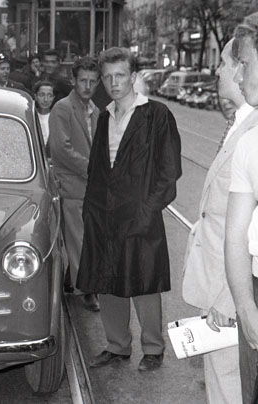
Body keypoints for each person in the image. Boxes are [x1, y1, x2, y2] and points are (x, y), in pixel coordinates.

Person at [77, 47, 181, 372]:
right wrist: (90, 209)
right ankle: (117, 345)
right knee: (107, 280)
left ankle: (153, 348)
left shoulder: (156, 115)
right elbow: (96, 168)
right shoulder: (104, 116)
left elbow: (169, 171)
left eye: (120, 75)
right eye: (107, 77)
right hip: (104, 214)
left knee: (144, 280)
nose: (113, 82)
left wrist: (147, 210)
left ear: (133, 76)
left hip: (140, 215)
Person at [183, 38, 257, 404]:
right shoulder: (239, 124)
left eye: (226, 62)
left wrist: (230, 300)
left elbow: (247, 231)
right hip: (217, 280)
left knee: (232, 387)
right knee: (221, 382)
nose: (218, 70)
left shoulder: (252, 132)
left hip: (228, 291)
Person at [49, 57, 101, 312]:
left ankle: (74, 280)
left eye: (92, 81)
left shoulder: (96, 111)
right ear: (73, 81)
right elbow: (61, 149)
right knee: (79, 240)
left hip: (91, 187)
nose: (87, 86)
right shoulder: (62, 108)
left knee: (87, 239)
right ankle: (87, 289)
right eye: (83, 80)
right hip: (71, 186)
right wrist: (92, 169)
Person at [225, 13, 258, 403]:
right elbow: (234, 236)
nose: (237, 75)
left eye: (244, 63)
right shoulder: (250, 144)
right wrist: (246, 308)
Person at [33, 81, 54, 147]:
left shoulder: (56, 117)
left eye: (49, 95)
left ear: (53, 98)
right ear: (36, 97)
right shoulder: (31, 116)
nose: (45, 99)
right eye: (42, 95)